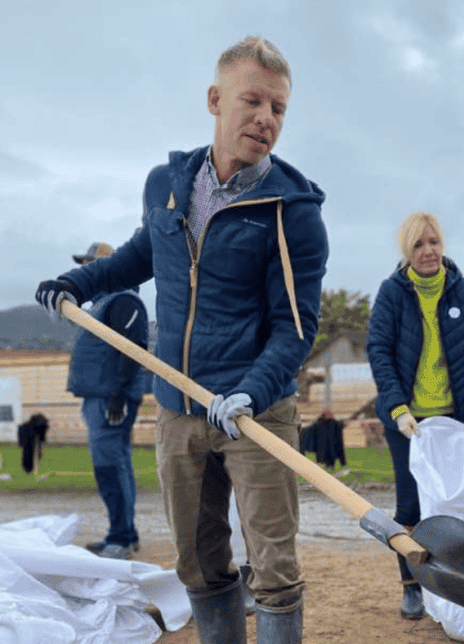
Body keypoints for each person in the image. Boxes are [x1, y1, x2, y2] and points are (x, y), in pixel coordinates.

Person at [35, 35, 328, 644]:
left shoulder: (291, 211)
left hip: (257, 416)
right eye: (252, 101)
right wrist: (75, 283)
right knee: (198, 561)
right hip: (178, 407)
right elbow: (142, 255)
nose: (266, 118)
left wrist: (250, 392)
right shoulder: (166, 184)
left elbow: (295, 327)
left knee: (273, 568)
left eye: (278, 108)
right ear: (215, 100)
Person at [367, 212, 464, 620]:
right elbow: (380, 355)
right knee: (410, 508)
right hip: (409, 423)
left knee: (452, 505)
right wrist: (397, 409)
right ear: (406, 251)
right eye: (418, 245)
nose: (428, 251)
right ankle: (412, 587)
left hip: (453, 420)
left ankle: (454, 584)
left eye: (434, 242)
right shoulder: (391, 293)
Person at [64, 242, 149, 559]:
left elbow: (134, 349)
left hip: (111, 399)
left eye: (90, 265)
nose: (87, 271)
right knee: (116, 464)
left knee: (110, 467)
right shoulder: (102, 303)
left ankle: (121, 538)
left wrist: (118, 396)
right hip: (98, 397)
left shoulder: (123, 300)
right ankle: (124, 532)